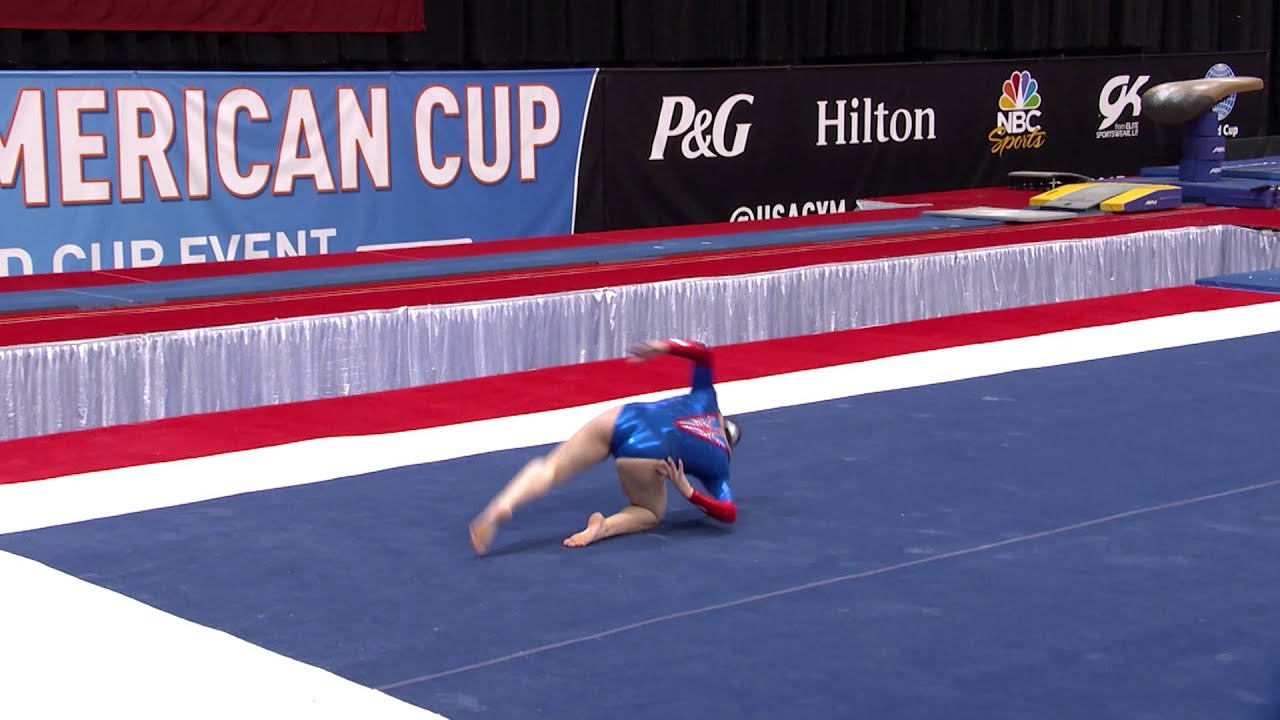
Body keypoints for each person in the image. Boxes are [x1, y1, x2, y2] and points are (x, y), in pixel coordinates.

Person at [468, 338, 741, 554]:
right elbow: (728, 513)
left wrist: (663, 346)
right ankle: (604, 528)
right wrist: (689, 492)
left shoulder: (707, 398)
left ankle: (504, 503)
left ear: (722, 419)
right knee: (650, 512)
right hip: (648, 454)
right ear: (728, 445)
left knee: (550, 467)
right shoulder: (719, 469)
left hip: (623, 418)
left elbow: (703, 352)